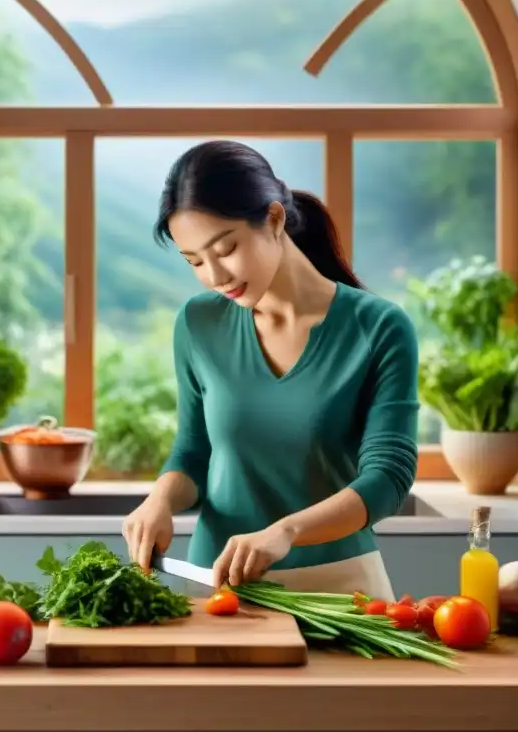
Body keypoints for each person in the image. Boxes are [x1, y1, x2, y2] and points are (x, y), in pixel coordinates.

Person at [121, 139, 420, 600]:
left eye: (226, 248)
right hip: (218, 589)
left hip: (339, 590)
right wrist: (160, 499)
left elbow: (387, 478)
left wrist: (287, 531)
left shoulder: (378, 328)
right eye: (195, 261)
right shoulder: (200, 324)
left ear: (275, 219)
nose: (215, 276)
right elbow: (193, 453)